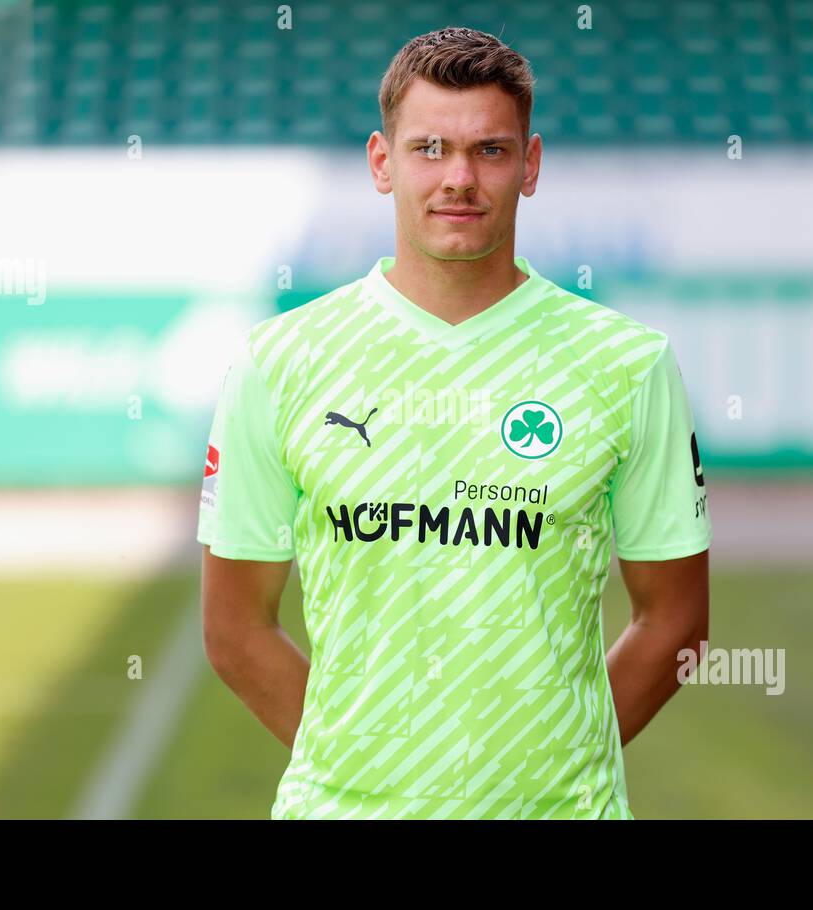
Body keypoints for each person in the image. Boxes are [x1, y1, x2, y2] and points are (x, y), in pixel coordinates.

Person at [197, 26, 711, 820]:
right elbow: (234, 630)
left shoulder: (628, 364)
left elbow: (675, 620)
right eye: (429, 148)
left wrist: (557, 766)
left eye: (490, 152)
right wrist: (368, 771)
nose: (459, 179)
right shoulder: (280, 363)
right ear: (382, 162)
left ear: (530, 166)